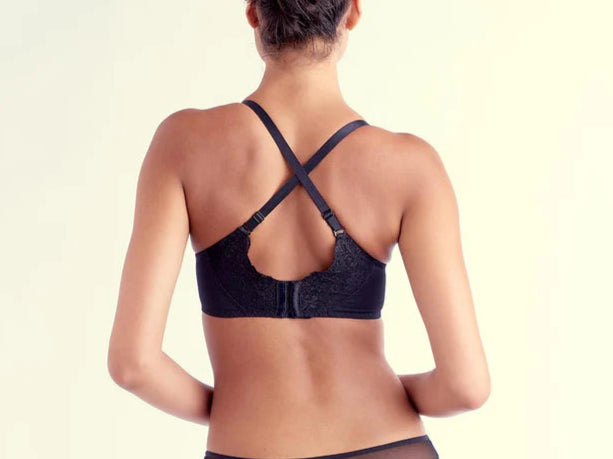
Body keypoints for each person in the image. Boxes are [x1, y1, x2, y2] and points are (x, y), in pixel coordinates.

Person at [107, 1, 490, 458]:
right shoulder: (411, 165)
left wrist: (235, 408)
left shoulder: (183, 144)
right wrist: (383, 390)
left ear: (254, 12)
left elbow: (134, 364)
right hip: (388, 444)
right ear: (352, 13)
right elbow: (467, 387)